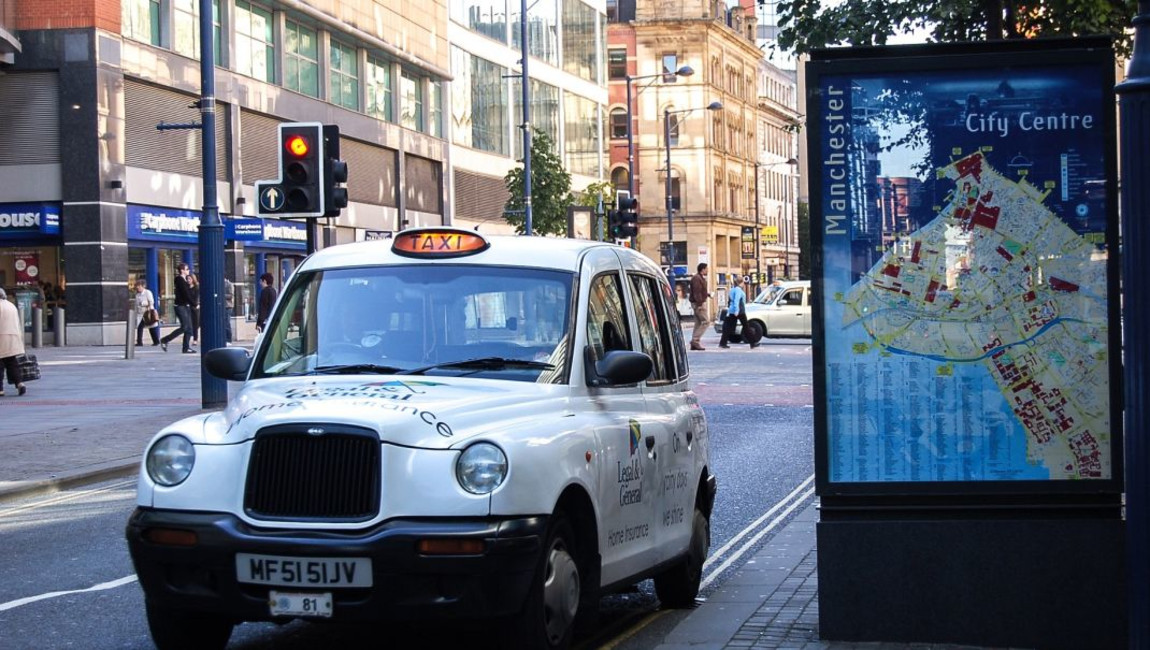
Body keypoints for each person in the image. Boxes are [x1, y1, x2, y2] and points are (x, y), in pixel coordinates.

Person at [160, 262, 196, 353]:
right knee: (184, 327)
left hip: (185, 306)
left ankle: (186, 347)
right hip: (180, 306)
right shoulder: (180, 280)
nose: (189, 271)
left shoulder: (184, 280)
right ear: (182, 270)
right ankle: (165, 340)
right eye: (187, 269)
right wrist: (194, 304)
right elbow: (186, 294)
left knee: (189, 328)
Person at [0, 288, 27, 396]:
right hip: (13, 337)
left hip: (1, 336)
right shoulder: (11, 305)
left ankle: (0, 389)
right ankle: (20, 383)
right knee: (11, 362)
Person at [719, 276, 758, 349]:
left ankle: (723, 342)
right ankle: (753, 342)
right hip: (739, 310)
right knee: (746, 326)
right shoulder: (738, 290)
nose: (744, 284)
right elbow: (737, 300)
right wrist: (737, 310)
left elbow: (731, 300)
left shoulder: (732, 289)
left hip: (731, 310)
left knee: (728, 327)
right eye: (743, 282)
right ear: (741, 283)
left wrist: (732, 310)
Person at [688, 262, 712, 351]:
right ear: (703, 269)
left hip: (698, 302)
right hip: (699, 303)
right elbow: (696, 292)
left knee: (698, 322)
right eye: (706, 268)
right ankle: (695, 340)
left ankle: (694, 343)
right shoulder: (697, 278)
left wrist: (708, 294)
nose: (708, 270)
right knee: (706, 321)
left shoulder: (699, 278)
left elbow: (699, 291)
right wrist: (699, 304)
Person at [133, 279, 160, 346]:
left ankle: (153, 341)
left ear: (143, 286)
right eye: (137, 286)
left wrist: (142, 303)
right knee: (146, 327)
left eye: (139, 286)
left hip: (147, 312)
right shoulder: (137, 295)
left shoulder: (147, 292)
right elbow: (136, 305)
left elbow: (151, 302)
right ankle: (154, 341)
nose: (137, 287)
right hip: (140, 313)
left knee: (149, 326)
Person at [187, 272, 201, 346]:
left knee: (195, 324)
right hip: (188, 307)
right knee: (189, 324)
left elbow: (197, 297)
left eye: (189, 279)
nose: (188, 280)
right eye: (187, 279)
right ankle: (189, 337)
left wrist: (197, 304)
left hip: (195, 307)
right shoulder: (186, 288)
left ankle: (195, 339)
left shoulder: (196, 287)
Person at [223, 276, 235, 344]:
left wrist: (222, 295)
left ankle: (228, 339)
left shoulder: (229, 284)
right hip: (222, 306)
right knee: (224, 323)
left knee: (227, 323)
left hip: (228, 306)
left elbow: (231, 295)